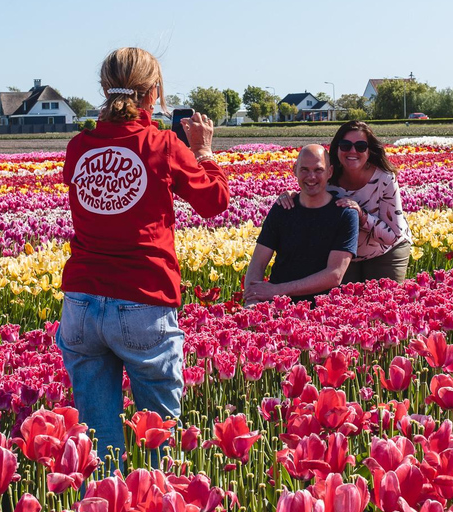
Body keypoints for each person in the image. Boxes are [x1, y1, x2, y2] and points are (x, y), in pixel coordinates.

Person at [55, 47, 229, 458]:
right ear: (154, 93)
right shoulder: (163, 144)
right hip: (142, 298)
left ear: (103, 88)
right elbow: (215, 202)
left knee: (97, 445)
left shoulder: (79, 146)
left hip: (80, 301)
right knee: (159, 441)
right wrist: (204, 151)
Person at [277, 121, 413, 284]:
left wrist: (362, 216)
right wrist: (293, 196)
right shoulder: (328, 177)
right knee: (345, 304)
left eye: (361, 146)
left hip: (385, 250)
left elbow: (392, 235)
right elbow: (310, 194)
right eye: (345, 145)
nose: (353, 151)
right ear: (337, 149)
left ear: (369, 151)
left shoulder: (384, 178)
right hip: (343, 254)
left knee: (383, 302)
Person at [244, 144, 358, 306]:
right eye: (304, 169)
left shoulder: (344, 214)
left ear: (330, 172)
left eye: (318, 170)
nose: (311, 177)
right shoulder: (282, 209)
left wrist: (277, 290)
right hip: (279, 306)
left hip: (322, 309)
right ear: (295, 170)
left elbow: (334, 274)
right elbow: (258, 262)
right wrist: (252, 298)